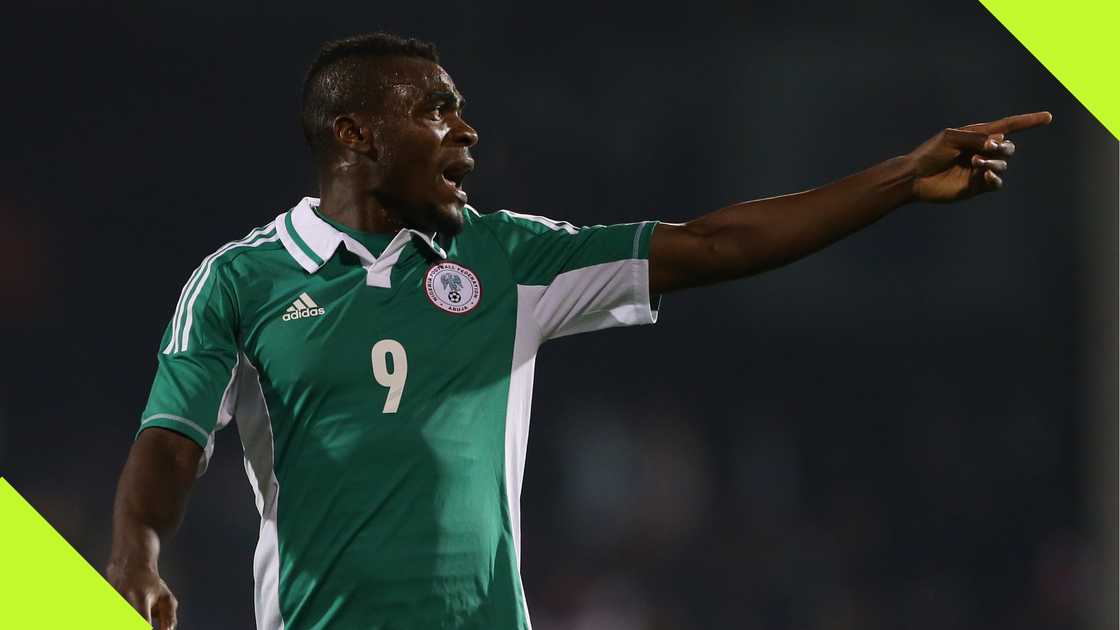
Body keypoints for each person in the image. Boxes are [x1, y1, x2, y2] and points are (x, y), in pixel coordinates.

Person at [105, 31, 1051, 630]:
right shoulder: (241, 280)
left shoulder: (508, 258)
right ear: (354, 135)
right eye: (435, 109)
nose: (466, 131)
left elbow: (718, 244)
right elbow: (172, 443)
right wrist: (137, 555)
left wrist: (897, 180)